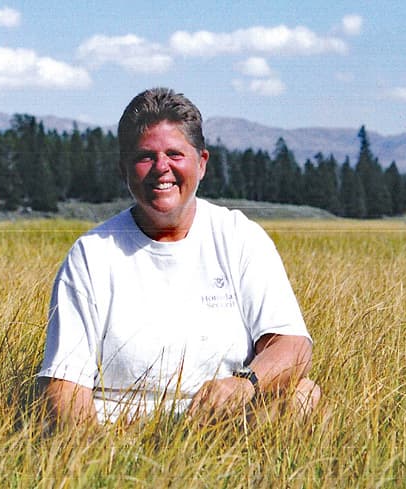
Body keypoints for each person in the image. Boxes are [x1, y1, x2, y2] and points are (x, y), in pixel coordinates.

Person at [37, 87, 320, 426]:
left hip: (222, 425)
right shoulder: (92, 254)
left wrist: (246, 384)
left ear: (202, 163)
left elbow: (293, 346)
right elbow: (64, 387)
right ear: (123, 170)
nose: (161, 168)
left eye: (175, 154)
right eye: (145, 156)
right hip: (118, 434)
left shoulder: (239, 237)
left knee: (304, 395)